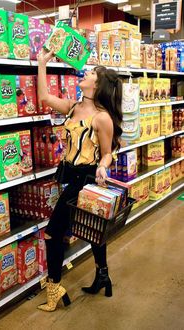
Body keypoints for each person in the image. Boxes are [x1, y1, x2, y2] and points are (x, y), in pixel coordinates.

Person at [37, 49, 123, 312]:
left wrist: (103, 168)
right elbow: (44, 97)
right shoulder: (74, 107)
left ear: (96, 85)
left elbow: (108, 153)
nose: (86, 73)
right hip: (71, 176)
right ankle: (103, 274)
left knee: (53, 233)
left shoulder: (102, 117)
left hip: (85, 180)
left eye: (91, 73)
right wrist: (42, 63)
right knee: (91, 227)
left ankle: (54, 290)